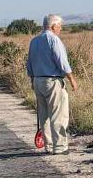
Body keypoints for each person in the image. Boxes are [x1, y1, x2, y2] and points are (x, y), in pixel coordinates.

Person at [26, 14, 78, 154]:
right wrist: (71, 79)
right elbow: (62, 62)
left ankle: (48, 145)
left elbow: (29, 63)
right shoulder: (54, 40)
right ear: (54, 26)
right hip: (52, 80)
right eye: (60, 26)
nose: (60, 28)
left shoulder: (34, 41)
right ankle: (59, 146)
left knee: (44, 115)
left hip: (37, 80)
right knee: (57, 114)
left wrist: (32, 80)